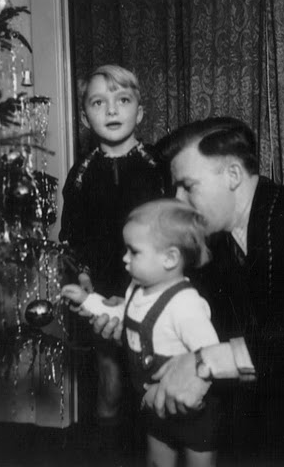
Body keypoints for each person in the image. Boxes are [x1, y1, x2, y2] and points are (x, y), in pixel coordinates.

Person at [93, 117, 284, 465]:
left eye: (187, 186)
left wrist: (207, 363)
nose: (177, 200)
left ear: (233, 176)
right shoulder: (220, 244)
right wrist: (137, 312)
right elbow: (211, 322)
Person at [62, 199, 221, 467]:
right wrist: (87, 301)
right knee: (157, 460)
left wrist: (191, 396)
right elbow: (124, 317)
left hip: (191, 410)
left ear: (170, 258)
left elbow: (212, 357)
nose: (124, 258)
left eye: (134, 252)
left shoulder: (186, 305)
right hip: (151, 404)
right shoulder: (136, 288)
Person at [59, 65, 167, 453]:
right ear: (85, 116)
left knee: (155, 379)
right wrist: (84, 279)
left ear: (139, 112)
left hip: (156, 290)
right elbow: (73, 240)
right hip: (105, 292)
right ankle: (110, 456)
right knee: (111, 381)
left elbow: (177, 232)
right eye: (98, 102)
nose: (111, 110)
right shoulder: (82, 175)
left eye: (123, 100)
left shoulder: (159, 165)